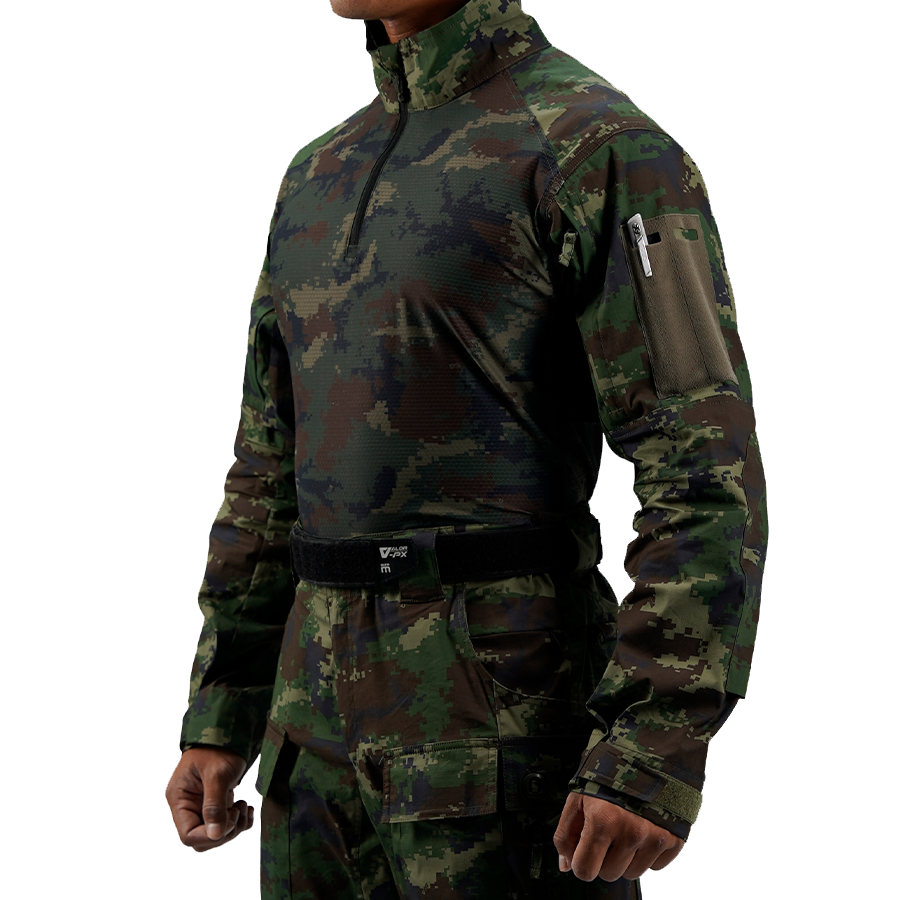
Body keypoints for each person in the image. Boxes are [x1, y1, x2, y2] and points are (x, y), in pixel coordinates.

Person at [165, 1, 767, 897]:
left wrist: (650, 745)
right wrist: (223, 707)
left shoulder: (597, 148)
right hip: (311, 741)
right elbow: (268, 463)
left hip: (501, 726)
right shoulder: (319, 173)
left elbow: (701, 461)